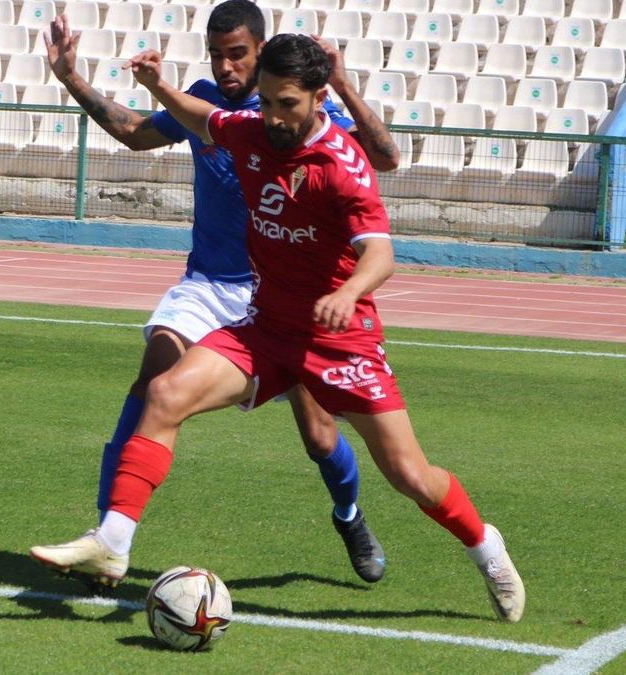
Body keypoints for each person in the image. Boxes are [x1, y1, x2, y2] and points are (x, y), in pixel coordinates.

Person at [32, 34, 526, 623]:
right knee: (164, 393)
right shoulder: (252, 129)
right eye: (265, 101)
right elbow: (204, 118)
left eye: (286, 103)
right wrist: (158, 87)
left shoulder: (341, 164)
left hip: (338, 339)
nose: (272, 116)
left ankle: (486, 548)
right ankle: (113, 541)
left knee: (409, 475)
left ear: (319, 97)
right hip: (265, 327)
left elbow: (381, 253)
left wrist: (348, 292)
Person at [37, 0, 401, 584]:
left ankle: (350, 515)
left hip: (284, 297)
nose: (227, 67)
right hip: (210, 282)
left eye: (238, 55)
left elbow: (383, 157)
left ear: (261, 54)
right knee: (154, 376)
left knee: (318, 435)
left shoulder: (292, 112)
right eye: (217, 55)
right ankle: (108, 533)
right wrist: (70, 76)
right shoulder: (203, 101)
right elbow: (132, 132)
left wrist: (339, 81)